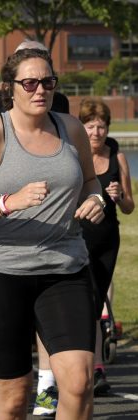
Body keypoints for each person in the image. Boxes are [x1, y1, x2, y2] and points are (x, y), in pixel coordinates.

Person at [0, 48, 105, 420]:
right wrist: (7, 202)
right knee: (15, 397)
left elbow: (91, 178)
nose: (40, 90)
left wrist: (95, 197)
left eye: (47, 82)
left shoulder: (72, 129)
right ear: (10, 88)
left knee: (79, 384)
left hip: (64, 269)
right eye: (29, 83)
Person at [78, 98, 134, 396]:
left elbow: (129, 207)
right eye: (90, 126)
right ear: (82, 127)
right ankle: (82, 367)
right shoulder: (75, 156)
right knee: (83, 303)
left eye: (101, 126)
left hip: (107, 241)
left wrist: (118, 195)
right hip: (78, 239)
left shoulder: (117, 158)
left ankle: (96, 369)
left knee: (97, 301)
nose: (96, 132)